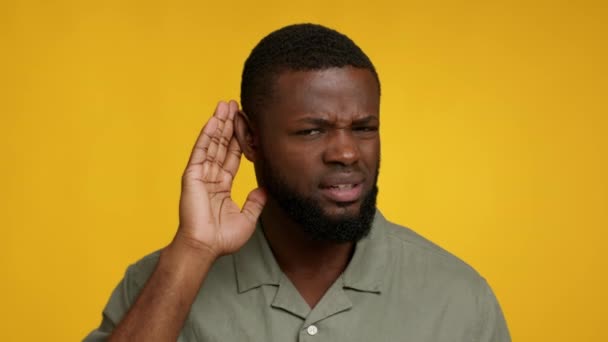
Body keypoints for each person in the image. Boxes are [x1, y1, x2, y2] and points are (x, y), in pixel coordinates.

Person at [85, 23, 510, 342]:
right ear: (250, 138)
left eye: (364, 128)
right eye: (312, 131)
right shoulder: (158, 284)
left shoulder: (459, 298)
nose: (346, 152)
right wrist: (193, 252)